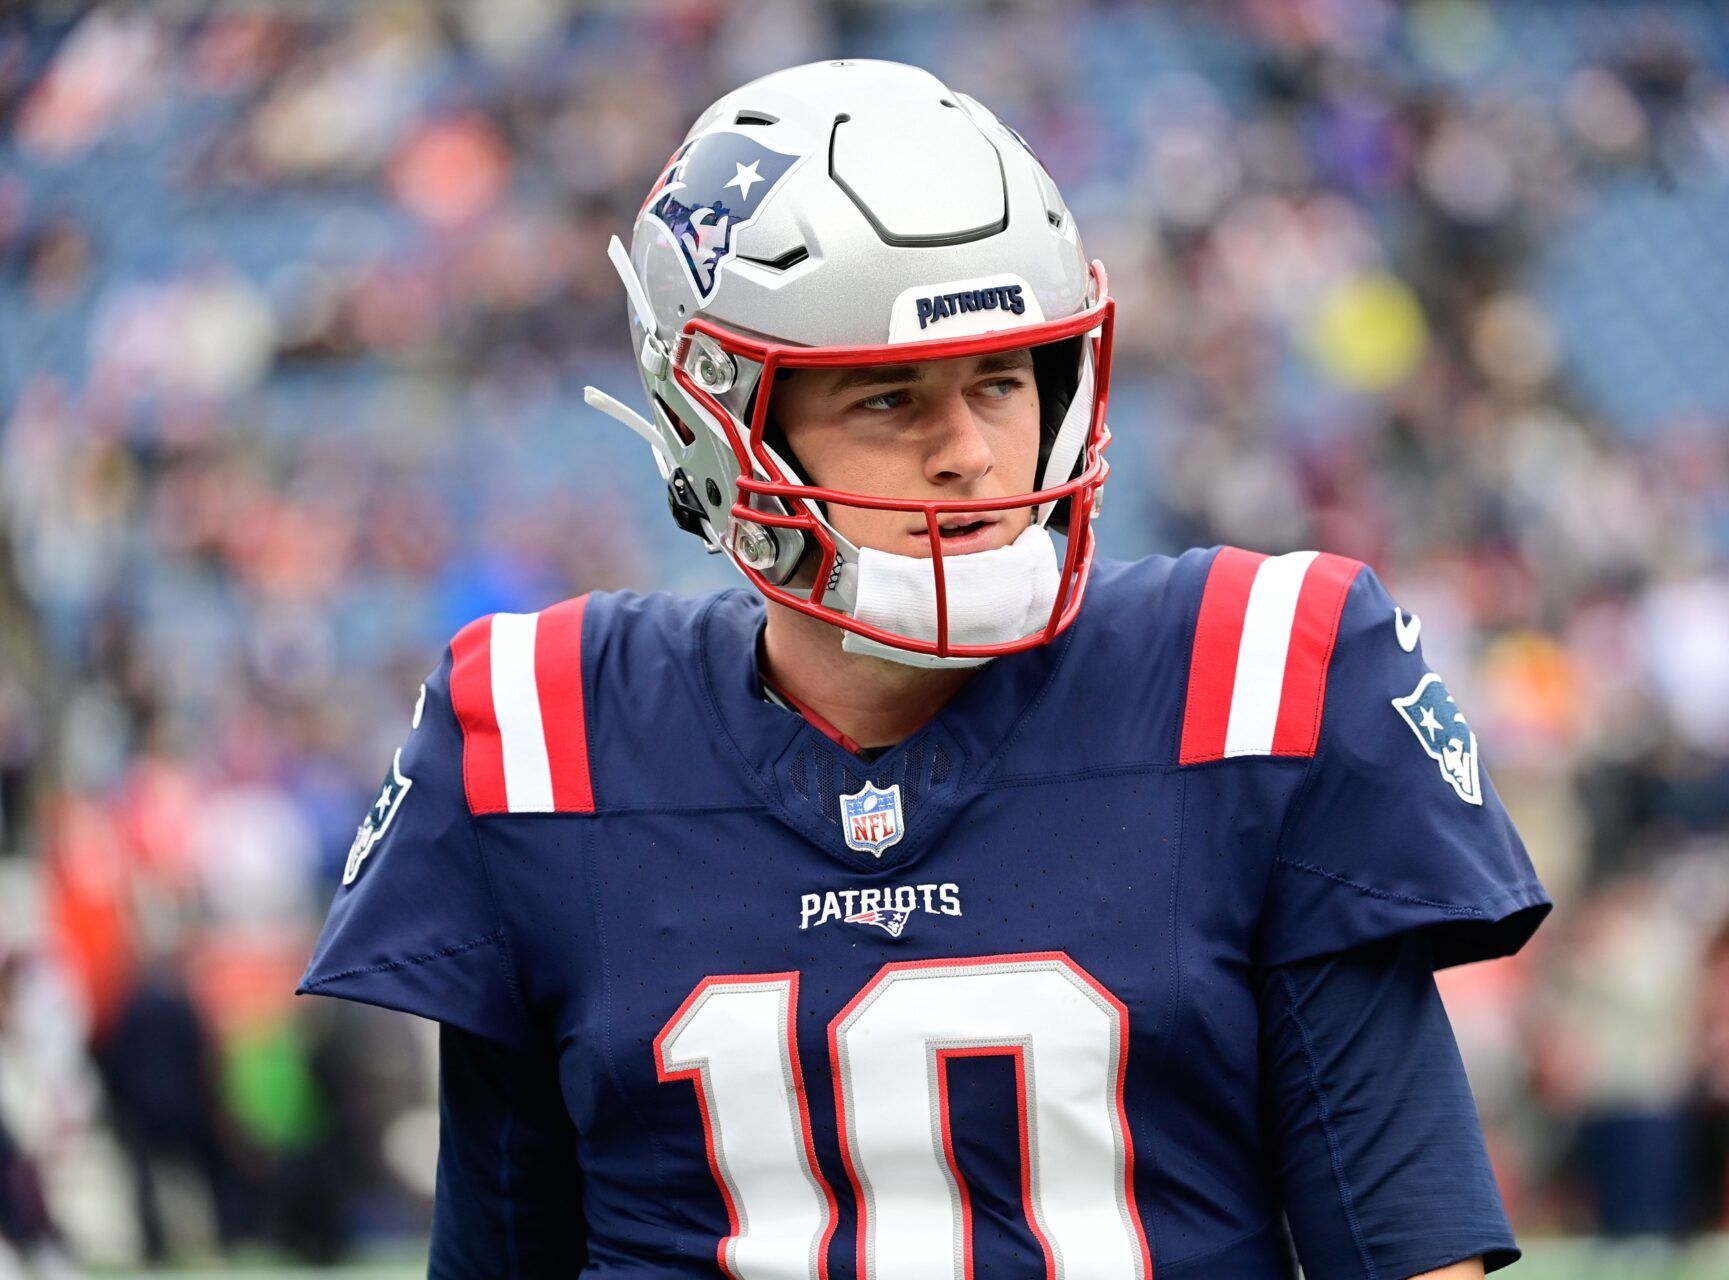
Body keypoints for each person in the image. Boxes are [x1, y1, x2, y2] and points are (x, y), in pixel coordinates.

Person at [299, 60, 1550, 1279]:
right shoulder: (542, 732)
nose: (970, 455)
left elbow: (1406, 1244)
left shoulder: (1261, 675)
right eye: (889, 400)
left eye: (1002, 381)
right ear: (717, 421)